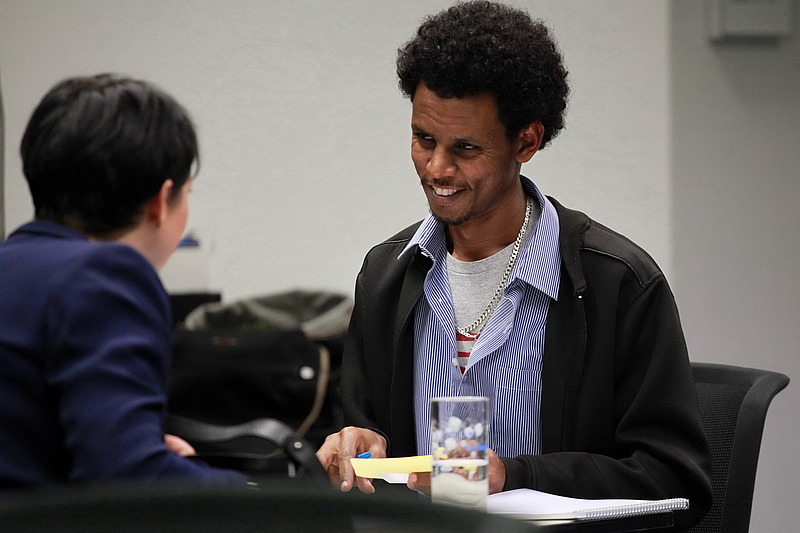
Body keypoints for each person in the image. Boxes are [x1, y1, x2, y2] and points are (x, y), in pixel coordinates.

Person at [316, 1, 712, 529]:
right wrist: (359, 447)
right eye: (424, 140)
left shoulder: (618, 284)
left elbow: (675, 480)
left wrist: (516, 475)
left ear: (526, 141)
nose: (437, 168)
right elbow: (372, 452)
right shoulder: (387, 277)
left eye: (465, 148)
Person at [0, 74, 247, 489]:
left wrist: (143, 447)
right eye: (187, 192)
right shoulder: (106, 276)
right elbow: (125, 478)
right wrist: (260, 498)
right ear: (160, 202)